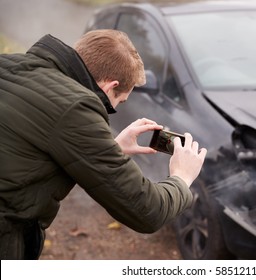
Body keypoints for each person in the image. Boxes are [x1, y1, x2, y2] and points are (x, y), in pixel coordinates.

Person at [0, 29, 207, 260]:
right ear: (110, 86)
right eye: (119, 101)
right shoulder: (76, 109)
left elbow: (32, 145)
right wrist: (181, 177)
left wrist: (110, 148)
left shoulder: (9, 65)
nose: (115, 108)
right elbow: (147, 211)